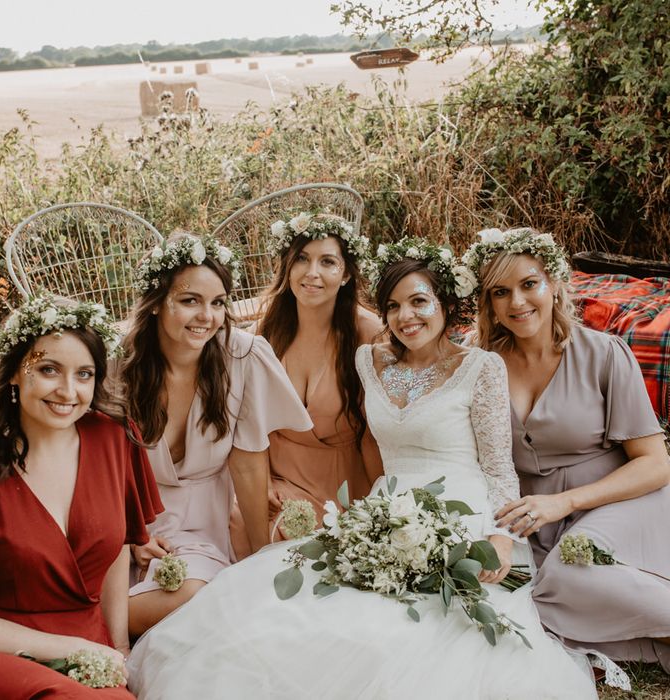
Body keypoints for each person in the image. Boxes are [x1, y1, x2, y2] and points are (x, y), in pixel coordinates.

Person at [125, 237, 596, 699]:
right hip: (385, 506)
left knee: (417, 627)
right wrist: (366, 510)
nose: (406, 317)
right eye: (393, 306)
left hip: (463, 509)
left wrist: (501, 536)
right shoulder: (370, 361)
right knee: (307, 605)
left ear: (446, 304)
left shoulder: (481, 366)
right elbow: (373, 444)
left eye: (418, 302)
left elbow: (497, 466)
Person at [0, 296, 162, 699]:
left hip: (85, 638)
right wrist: (75, 649)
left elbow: (116, 548)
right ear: (13, 372)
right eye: (49, 370)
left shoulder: (114, 439)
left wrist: (118, 647)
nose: (68, 391)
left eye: (84, 374)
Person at [467, 227, 670, 674]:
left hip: (618, 502)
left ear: (554, 284)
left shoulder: (604, 354)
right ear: (489, 304)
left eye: (528, 284)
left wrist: (565, 502)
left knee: (563, 581)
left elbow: (656, 464)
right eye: (501, 292)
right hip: (531, 519)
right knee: (518, 599)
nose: (517, 303)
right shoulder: (478, 364)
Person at [120, 233, 312, 636]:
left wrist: (260, 558)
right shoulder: (116, 366)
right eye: (190, 300)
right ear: (157, 303)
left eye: (218, 302)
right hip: (128, 520)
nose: (206, 316)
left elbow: (248, 463)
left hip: (201, 522)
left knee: (191, 591)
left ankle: (87, 625)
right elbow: (98, 469)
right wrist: (128, 537)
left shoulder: (241, 356)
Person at [231, 212, 383, 558]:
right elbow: (247, 418)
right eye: (301, 258)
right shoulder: (267, 331)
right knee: (242, 526)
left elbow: (379, 431)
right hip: (278, 478)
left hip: (346, 482)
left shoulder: (367, 334)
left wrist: (381, 502)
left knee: (317, 552)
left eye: (327, 262)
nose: (311, 273)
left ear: (345, 274)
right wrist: (261, 481)